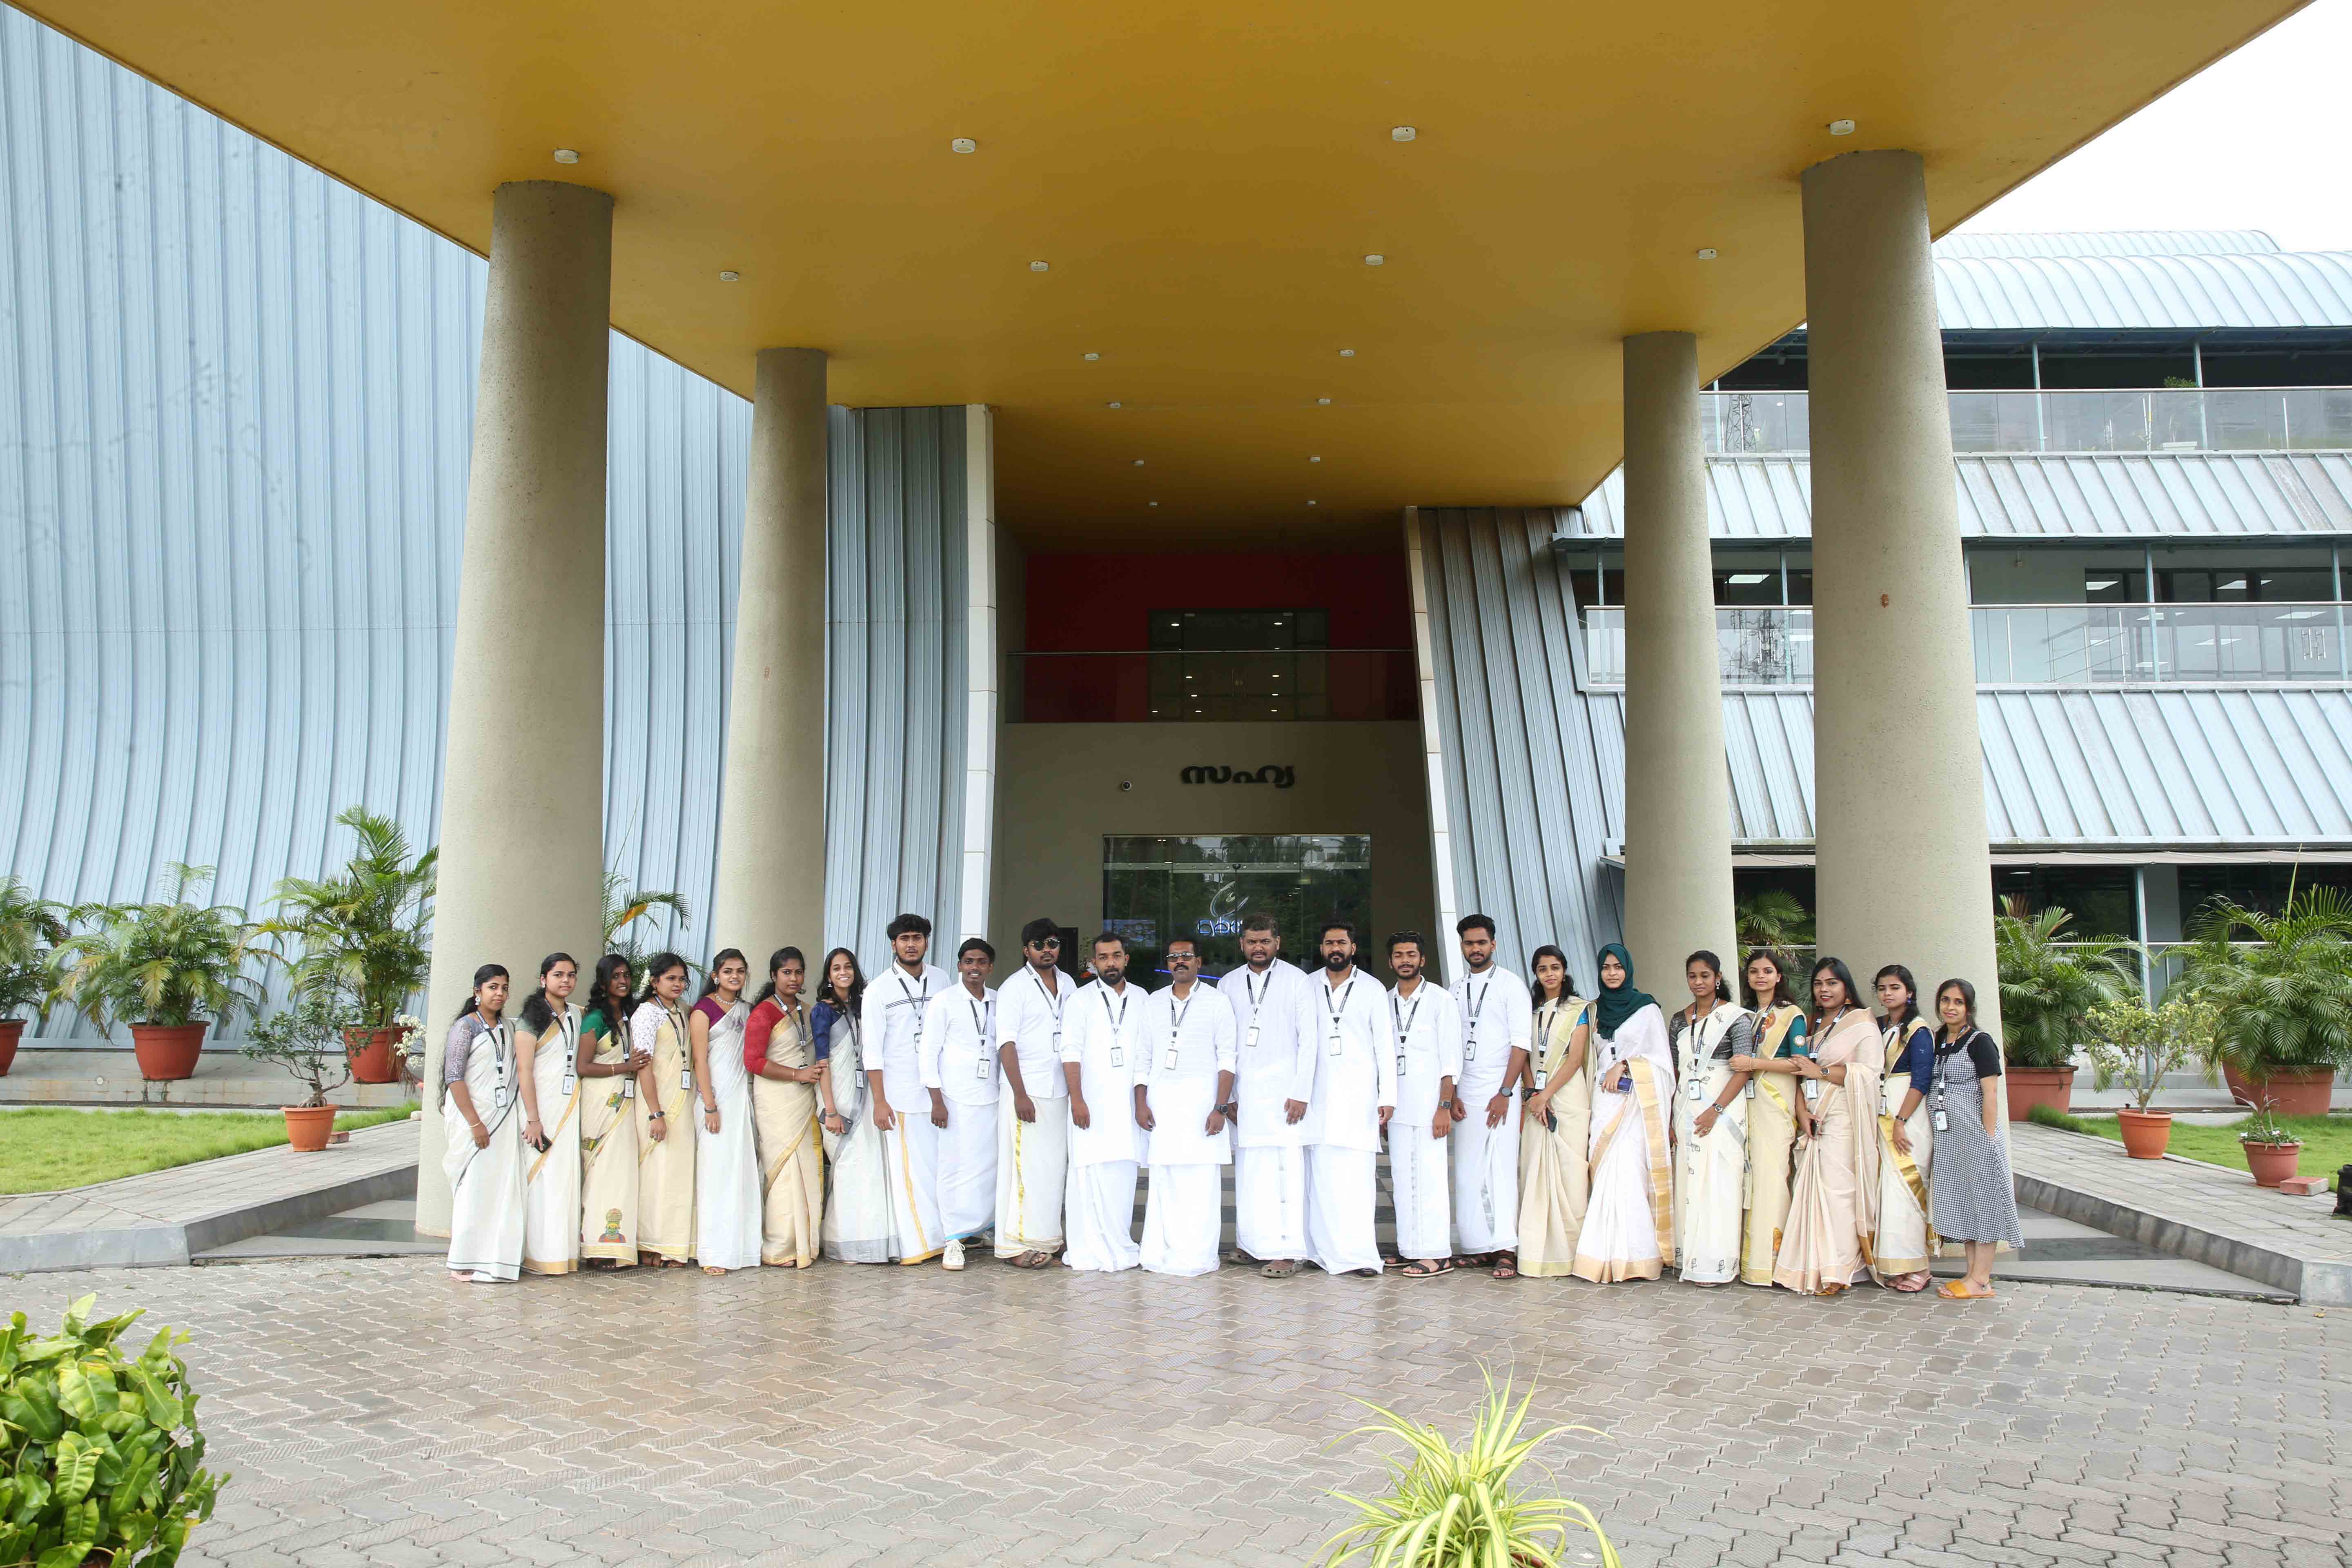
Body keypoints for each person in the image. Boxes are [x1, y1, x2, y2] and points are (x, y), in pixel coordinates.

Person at [1773, 957, 1882, 1296]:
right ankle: (1810, 1264)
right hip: (1813, 1116)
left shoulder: (1862, 1022)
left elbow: (1869, 1074)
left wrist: (1819, 1072)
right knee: (1810, 1189)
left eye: (1832, 983)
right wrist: (1802, 1113)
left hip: (1844, 1117)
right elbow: (1798, 1073)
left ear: (1847, 988)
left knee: (1838, 1192)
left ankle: (1839, 1268)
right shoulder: (1811, 1024)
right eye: (1819, 983)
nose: (1824, 989)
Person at [1294, 920, 1397, 1279]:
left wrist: (1388, 1096)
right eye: (1329, 943)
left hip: (1359, 1099)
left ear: (1353, 947)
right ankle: (1320, 1253)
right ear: (1322, 949)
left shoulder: (1372, 988)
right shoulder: (1307, 985)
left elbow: (1385, 1046)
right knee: (1319, 1180)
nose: (1335, 948)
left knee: (1356, 1181)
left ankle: (1359, 1256)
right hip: (1317, 1097)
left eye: (1341, 942)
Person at [1573, 943, 1676, 1284]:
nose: (1612, 973)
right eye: (1606, 967)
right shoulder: (1593, 1010)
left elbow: (1663, 1063)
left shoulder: (1646, 1009)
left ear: (1628, 969)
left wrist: (1626, 1064)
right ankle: (1598, 1256)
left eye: (1618, 967)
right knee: (1604, 1173)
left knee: (1629, 1174)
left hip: (1635, 1104)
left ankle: (1637, 1258)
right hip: (1603, 1102)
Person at [1135, 937, 1238, 1277]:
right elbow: (1142, 1057)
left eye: (1186, 956)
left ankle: (1197, 1256)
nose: (1180, 961)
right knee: (1164, 1182)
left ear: (1199, 962)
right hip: (1162, 1106)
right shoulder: (1153, 1002)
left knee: (1200, 1184)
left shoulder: (1218, 1002)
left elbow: (1228, 1058)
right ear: (1168, 963)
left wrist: (1221, 1108)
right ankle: (1160, 1253)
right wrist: (1140, 1102)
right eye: (1174, 957)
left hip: (1202, 1108)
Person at [1224, 913, 1316, 1277]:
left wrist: (1301, 1092)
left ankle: (1286, 1251)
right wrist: (1230, 1095)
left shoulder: (1298, 981)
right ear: (1242, 944)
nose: (1258, 948)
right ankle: (1252, 1244)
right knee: (1250, 1173)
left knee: (1285, 1174)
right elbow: (1225, 1043)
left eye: (1265, 941)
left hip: (1285, 1095)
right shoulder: (1229, 983)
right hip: (1246, 1094)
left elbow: (1309, 1041)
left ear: (1278, 943)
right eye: (1252, 941)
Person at [861, 913, 950, 1264]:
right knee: (910, 1172)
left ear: (927, 942)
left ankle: (947, 1237)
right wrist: (879, 1101)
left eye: (917, 938)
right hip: (900, 1094)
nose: (911, 945)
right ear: (893, 945)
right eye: (904, 939)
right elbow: (872, 1051)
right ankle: (918, 1245)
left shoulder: (942, 980)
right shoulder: (878, 989)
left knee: (940, 1167)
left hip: (940, 1092)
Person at [1929, 978, 2022, 1300]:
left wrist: (1988, 1138)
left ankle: (1981, 1280)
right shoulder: (1939, 1038)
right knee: (1967, 1204)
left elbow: (1990, 1093)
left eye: (1958, 1002)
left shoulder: (1980, 1042)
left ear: (1969, 1008)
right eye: (1946, 1000)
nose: (1950, 1008)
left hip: (1977, 1137)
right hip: (1951, 1141)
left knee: (1985, 1203)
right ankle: (1972, 1276)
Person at [1060, 932, 1148, 1272]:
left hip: (1126, 1105)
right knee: (1089, 1173)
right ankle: (1088, 1248)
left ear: (1127, 959)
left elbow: (1146, 1053)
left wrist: (1142, 1101)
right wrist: (1077, 1099)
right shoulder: (1080, 1000)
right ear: (1093, 962)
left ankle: (1119, 1244)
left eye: (1116, 956)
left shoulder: (1142, 998)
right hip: (1090, 1103)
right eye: (1103, 957)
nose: (1110, 963)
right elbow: (1070, 1052)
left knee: (1123, 1175)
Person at [1449, 915, 1530, 1278]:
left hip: (1501, 1092)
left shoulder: (1511, 985)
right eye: (1469, 943)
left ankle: (1506, 1250)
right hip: (1466, 1092)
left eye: (1482, 942)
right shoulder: (1454, 990)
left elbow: (1521, 1044)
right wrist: (1452, 1093)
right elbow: (1450, 1046)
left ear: (1493, 944)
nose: (1476, 949)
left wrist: (1506, 1091)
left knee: (1500, 1169)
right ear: (1462, 947)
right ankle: (1478, 1247)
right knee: (1468, 1173)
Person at [1668, 950, 1754, 1287]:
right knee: (1689, 1179)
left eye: (1705, 976)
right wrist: (1672, 1115)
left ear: (1718, 978)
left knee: (1719, 1180)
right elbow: (1676, 1070)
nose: (1698, 982)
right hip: (1685, 1108)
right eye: (1692, 976)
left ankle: (1715, 1263)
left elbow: (1743, 1069)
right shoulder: (1679, 1020)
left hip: (1722, 1109)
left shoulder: (1735, 1018)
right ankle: (1688, 1257)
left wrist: (1715, 1110)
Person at [1727, 948, 1809, 1287]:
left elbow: (1800, 1063)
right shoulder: (1747, 1016)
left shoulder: (1792, 1015)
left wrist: (1754, 1064)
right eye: (1754, 971)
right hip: (1750, 1102)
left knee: (1772, 1177)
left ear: (1779, 976)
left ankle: (1773, 1263)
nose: (1761, 977)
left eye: (1767, 971)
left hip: (1775, 1099)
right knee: (1752, 1176)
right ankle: (1749, 1260)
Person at [995, 918, 1074, 1268]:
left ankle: (1047, 1238)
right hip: (1026, 1090)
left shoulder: (1069, 983)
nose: (1047, 950)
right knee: (1021, 1168)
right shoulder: (1015, 987)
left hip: (1060, 1089)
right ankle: (1014, 1245)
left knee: (1051, 1170)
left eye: (1053, 944)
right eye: (1039, 945)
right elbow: (1006, 1044)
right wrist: (1020, 1094)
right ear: (1026, 950)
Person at [918, 937, 1001, 1270]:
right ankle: (952, 1239)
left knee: (988, 1167)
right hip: (954, 1099)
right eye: (969, 962)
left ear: (990, 967)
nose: (974, 968)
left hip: (992, 1097)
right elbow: (928, 1052)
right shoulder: (945, 1001)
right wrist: (937, 1101)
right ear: (959, 966)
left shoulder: (998, 1001)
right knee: (954, 1168)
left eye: (981, 962)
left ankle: (981, 1230)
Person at [443, 964, 524, 1284]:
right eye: (493, 987)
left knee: (499, 1188)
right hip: (474, 1120)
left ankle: (496, 1256)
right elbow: (454, 1078)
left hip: (503, 1118)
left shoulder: (509, 1027)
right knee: (473, 1187)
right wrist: (475, 1124)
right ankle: (464, 1259)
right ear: (477, 992)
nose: (499, 994)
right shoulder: (465, 1027)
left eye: (504, 988)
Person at [1515, 946, 1593, 1277]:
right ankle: (1535, 1253)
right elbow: (1522, 1054)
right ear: (1536, 973)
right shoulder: (1529, 1010)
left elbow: (1575, 1060)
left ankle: (1570, 1254)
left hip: (1568, 1096)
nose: (1550, 974)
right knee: (1534, 1170)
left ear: (1564, 971)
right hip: (1535, 1099)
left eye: (1555, 968)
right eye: (1543, 969)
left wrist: (1546, 1095)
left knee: (1570, 1173)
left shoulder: (1579, 1009)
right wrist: (1533, 1094)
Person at [1385, 932, 1460, 1277]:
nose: (1405, 960)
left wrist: (1444, 1105)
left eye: (1411, 954)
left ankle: (1437, 1253)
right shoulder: (1384, 1001)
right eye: (1399, 955)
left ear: (1422, 960)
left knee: (1430, 1180)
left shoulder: (1441, 1000)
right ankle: (1410, 1249)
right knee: (1403, 1181)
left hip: (1431, 1107)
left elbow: (1451, 1060)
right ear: (1391, 962)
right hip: (1398, 1108)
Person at [747, 947, 825, 1269]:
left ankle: (806, 1243)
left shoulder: (809, 1010)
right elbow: (753, 1062)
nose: (794, 978)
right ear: (774, 976)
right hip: (777, 1099)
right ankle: (780, 1246)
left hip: (804, 1097)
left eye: (799, 972)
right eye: (787, 973)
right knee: (782, 1168)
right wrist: (797, 1075)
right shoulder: (763, 1013)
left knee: (805, 1164)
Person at [813, 948, 892, 1264]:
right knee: (847, 1169)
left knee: (869, 1168)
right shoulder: (823, 1011)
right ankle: (843, 1243)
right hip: (838, 1098)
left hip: (868, 1096)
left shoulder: (865, 1005)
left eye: (848, 967)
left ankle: (871, 1243)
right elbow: (822, 1062)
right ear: (829, 976)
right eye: (836, 968)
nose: (843, 972)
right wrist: (831, 1111)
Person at [689, 949, 762, 1274]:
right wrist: (710, 1105)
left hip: (741, 1101)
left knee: (742, 1173)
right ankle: (714, 1253)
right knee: (716, 1174)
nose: (735, 976)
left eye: (740, 971)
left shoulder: (748, 1010)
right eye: (728, 971)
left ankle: (742, 1250)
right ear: (716, 975)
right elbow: (700, 1060)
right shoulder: (703, 1010)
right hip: (715, 1101)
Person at [575, 955, 649, 1268]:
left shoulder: (633, 1014)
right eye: (616, 976)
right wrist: (624, 1066)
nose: (623, 981)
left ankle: (621, 1248)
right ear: (604, 982)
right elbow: (583, 1066)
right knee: (601, 1172)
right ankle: (597, 1248)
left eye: (627, 975)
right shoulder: (595, 1018)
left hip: (628, 1100)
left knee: (623, 1172)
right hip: (601, 1102)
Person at [515, 953, 584, 1277]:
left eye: (571, 975)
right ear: (544, 979)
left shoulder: (577, 1014)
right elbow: (524, 1071)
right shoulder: (531, 1019)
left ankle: (561, 1254)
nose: (566, 981)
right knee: (541, 1180)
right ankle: (536, 1255)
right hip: (540, 1111)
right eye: (558, 975)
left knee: (564, 1179)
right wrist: (533, 1119)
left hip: (568, 1109)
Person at [1871, 964, 1938, 1292]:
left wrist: (1900, 1122)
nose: (1888, 994)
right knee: (1889, 1193)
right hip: (1884, 1113)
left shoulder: (1918, 1030)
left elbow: (1921, 1081)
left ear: (1909, 992)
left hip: (1909, 1117)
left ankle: (1920, 1267)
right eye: (1883, 988)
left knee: (1908, 1188)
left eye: (1895, 988)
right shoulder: (1880, 1026)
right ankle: (1896, 1265)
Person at [632, 952, 697, 1267]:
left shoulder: (684, 1011)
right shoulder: (646, 1013)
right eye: (671, 978)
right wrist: (655, 1113)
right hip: (656, 1103)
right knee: (656, 1173)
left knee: (679, 1173)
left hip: (684, 1101)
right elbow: (643, 1066)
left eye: (682, 979)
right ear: (655, 981)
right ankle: (650, 1244)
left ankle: (675, 1244)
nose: (678, 984)